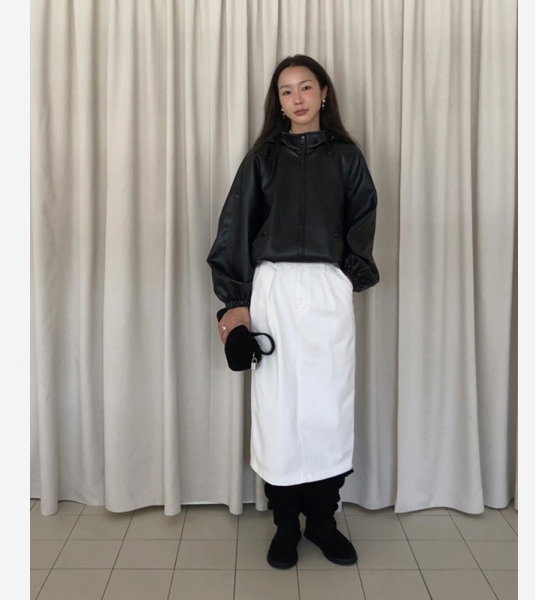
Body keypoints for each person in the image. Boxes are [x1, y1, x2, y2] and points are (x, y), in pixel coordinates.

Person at [207, 54, 379, 569]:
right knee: (279, 408)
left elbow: (362, 220)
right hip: (274, 288)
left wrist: (344, 276)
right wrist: (236, 305)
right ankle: (285, 524)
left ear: (324, 93)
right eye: (286, 91)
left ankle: (322, 521)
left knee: (328, 406)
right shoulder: (262, 158)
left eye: (306, 87)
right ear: (278, 102)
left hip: (326, 289)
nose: (297, 98)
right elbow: (235, 228)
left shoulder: (346, 157)